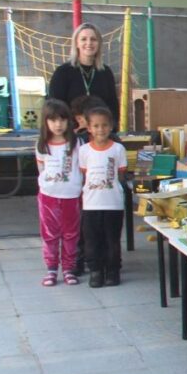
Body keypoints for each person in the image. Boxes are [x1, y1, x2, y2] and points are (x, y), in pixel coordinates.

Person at [77, 106, 127, 288]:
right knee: (92, 240)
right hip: (91, 204)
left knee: (112, 240)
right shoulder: (83, 151)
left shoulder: (118, 149)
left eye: (104, 125)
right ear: (89, 128)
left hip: (113, 203)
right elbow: (84, 175)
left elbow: (121, 174)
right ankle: (96, 271)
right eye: (96, 126)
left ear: (111, 126)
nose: (101, 129)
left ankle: (113, 271)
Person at [35, 100, 82, 286]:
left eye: (62, 119)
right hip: (48, 196)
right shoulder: (41, 145)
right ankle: (52, 269)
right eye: (53, 120)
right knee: (49, 234)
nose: (58, 124)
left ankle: (69, 268)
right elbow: (41, 169)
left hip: (71, 195)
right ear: (45, 122)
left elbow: (81, 166)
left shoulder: (76, 142)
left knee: (71, 234)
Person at [49, 23, 118, 130]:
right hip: (72, 132)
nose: (89, 43)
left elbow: (113, 106)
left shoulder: (105, 72)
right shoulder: (63, 72)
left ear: (99, 43)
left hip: (99, 133)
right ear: (76, 43)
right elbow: (56, 106)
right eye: (84, 39)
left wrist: (111, 129)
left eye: (93, 39)